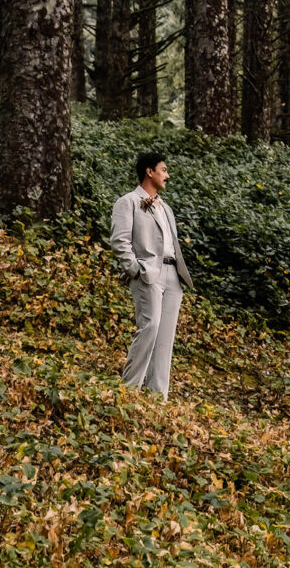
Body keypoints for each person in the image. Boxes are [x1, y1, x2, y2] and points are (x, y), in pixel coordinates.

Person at [110, 152, 194, 400]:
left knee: (165, 337)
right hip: (148, 274)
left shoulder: (166, 208)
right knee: (150, 327)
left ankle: (158, 397)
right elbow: (119, 241)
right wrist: (135, 269)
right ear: (149, 171)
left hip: (173, 275)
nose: (167, 175)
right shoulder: (128, 202)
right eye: (164, 169)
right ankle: (128, 390)